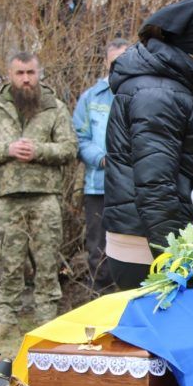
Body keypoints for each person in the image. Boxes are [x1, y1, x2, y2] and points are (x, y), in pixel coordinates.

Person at [103, 0, 193, 290]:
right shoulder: (159, 93)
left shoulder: (176, 87)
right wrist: (176, 261)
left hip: (160, 244)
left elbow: (180, 164)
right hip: (152, 252)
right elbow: (155, 186)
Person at [0, 51, 77, 341]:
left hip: (45, 195)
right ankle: (6, 318)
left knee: (47, 259)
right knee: (9, 260)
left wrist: (39, 151)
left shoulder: (54, 107)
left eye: (31, 72)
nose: (26, 79)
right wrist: (7, 149)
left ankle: (46, 320)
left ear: (39, 73)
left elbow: (70, 149)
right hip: (8, 196)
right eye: (20, 73)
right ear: (10, 75)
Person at [73, 38, 130, 295]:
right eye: (114, 62)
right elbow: (80, 138)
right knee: (98, 246)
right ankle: (99, 298)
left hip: (133, 185)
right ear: (106, 63)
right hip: (99, 184)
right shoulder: (90, 98)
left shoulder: (141, 93)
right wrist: (103, 158)